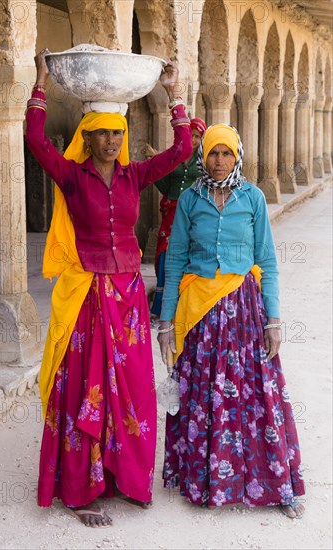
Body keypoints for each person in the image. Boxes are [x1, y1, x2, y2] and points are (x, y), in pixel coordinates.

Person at [25, 49, 192, 527]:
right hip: (88, 295)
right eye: (102, 133)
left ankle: (126, 478)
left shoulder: (135, 176)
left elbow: (182, 151)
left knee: (133, 387)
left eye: (117, 133)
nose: (111, 141)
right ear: (88, 136)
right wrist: (41, 84)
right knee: (84, 388)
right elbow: (35, 141)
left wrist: (174, 94)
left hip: (130, 296)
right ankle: (80, 489)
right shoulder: (72, 178)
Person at [157, 123, 305, 519]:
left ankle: (275, 483)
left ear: (236, 155)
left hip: (244, 313)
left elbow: (267, 262)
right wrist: (166, 322)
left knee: (258, 396)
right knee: (204, 398)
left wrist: (273, 320)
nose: (219, 161)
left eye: (225, 153)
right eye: (212, 153)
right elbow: (175, 262)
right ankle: (206, 481)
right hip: (201, 315)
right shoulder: (190, 199)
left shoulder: (252, 197)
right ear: (202, 156)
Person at [147, 117, 207, 318]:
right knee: (165, 253)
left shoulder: (206, 159)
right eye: (191, 135)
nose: (194, 140)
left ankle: (184, 304)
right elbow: (165, 184)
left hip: (193, 213)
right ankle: (161, 308)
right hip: (171, 211)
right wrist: (155, 162)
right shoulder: (177, 154)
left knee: (187, 254)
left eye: (198, 136)